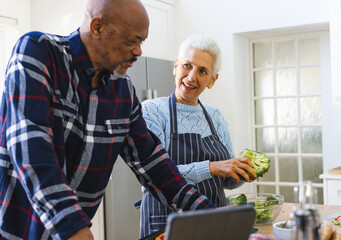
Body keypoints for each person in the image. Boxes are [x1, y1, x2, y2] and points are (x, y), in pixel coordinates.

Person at [0, 1, 216, 239]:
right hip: (17, 231)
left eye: (141, 41)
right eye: (131, 40)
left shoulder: (122, 90)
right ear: (97, 27)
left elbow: (154, 164)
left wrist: (213, 219)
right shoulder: (38, 52)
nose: (138, 51)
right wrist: (72, 226)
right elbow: (31, 147)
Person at [139, 35, 258, 237]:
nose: (192, 76)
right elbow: (154, 176)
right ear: (176, 67)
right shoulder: (152, 111)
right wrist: (211, 167)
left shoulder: (215, 116)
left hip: (213, 221)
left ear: (212, 80)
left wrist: (243, 171)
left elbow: (227, 181)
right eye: (187, 65)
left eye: (202, 71)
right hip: (166, 223)